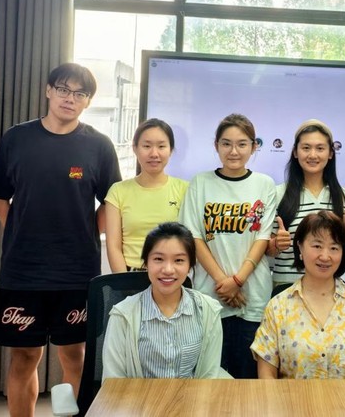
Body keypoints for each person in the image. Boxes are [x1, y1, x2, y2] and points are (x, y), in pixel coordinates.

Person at [0, 63, 121, 417]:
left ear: (88, 102)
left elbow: (113, 201)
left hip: (77, 271)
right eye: (63, 89)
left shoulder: (99, 146)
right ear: (48, 91)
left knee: (74, 355)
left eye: (80, 93)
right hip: (23, 272)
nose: (69, 98)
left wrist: (89, 230)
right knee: (24, 356)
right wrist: (18, 228)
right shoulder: (16, 138)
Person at [178, 113, 277, 378]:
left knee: (248, 379)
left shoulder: (264, 184)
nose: (234, 151)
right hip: (210, 294)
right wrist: (224, 282)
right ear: (216, 145)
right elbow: (193, 236)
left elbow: (262, 237)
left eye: (242, 144)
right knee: (211, 377)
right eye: (226, 143)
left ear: (254, 147)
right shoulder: (200, 183)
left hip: (253, 295)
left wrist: (238, 280)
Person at [251, 211, 345, 379]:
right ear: (300, 247)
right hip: (291, 397)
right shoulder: (278, 307)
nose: (325, 256)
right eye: (317, 246)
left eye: (334, 248)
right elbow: (266, 375)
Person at [102, 222, 223, 378]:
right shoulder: (123, 315)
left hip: (192, 394)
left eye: (179, 260)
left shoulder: (208, 310)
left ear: (190, 265)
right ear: (146, 262)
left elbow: (209, 377)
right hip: (136, 395)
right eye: (158, 259)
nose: (168, 270)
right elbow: (113, 382)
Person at [267, 119, 345, 285]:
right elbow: (268, 250)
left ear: (330, 153)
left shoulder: (343, 196)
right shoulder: (277, 194)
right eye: (306, 148)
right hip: (285, 287)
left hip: (328, 287)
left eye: (320, 148)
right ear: (295, 152)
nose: (312, 155)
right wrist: (276, 244)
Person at [105, 119, 189, 272]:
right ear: (135, 148)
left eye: (161, 146)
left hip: (171, 274)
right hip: (130, 275)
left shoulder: (185, 190)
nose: (154, 153)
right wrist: (123, 281)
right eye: (147, 146)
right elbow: (113, 246)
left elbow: (191, 241)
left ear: (170, 150)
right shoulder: (118, 191)